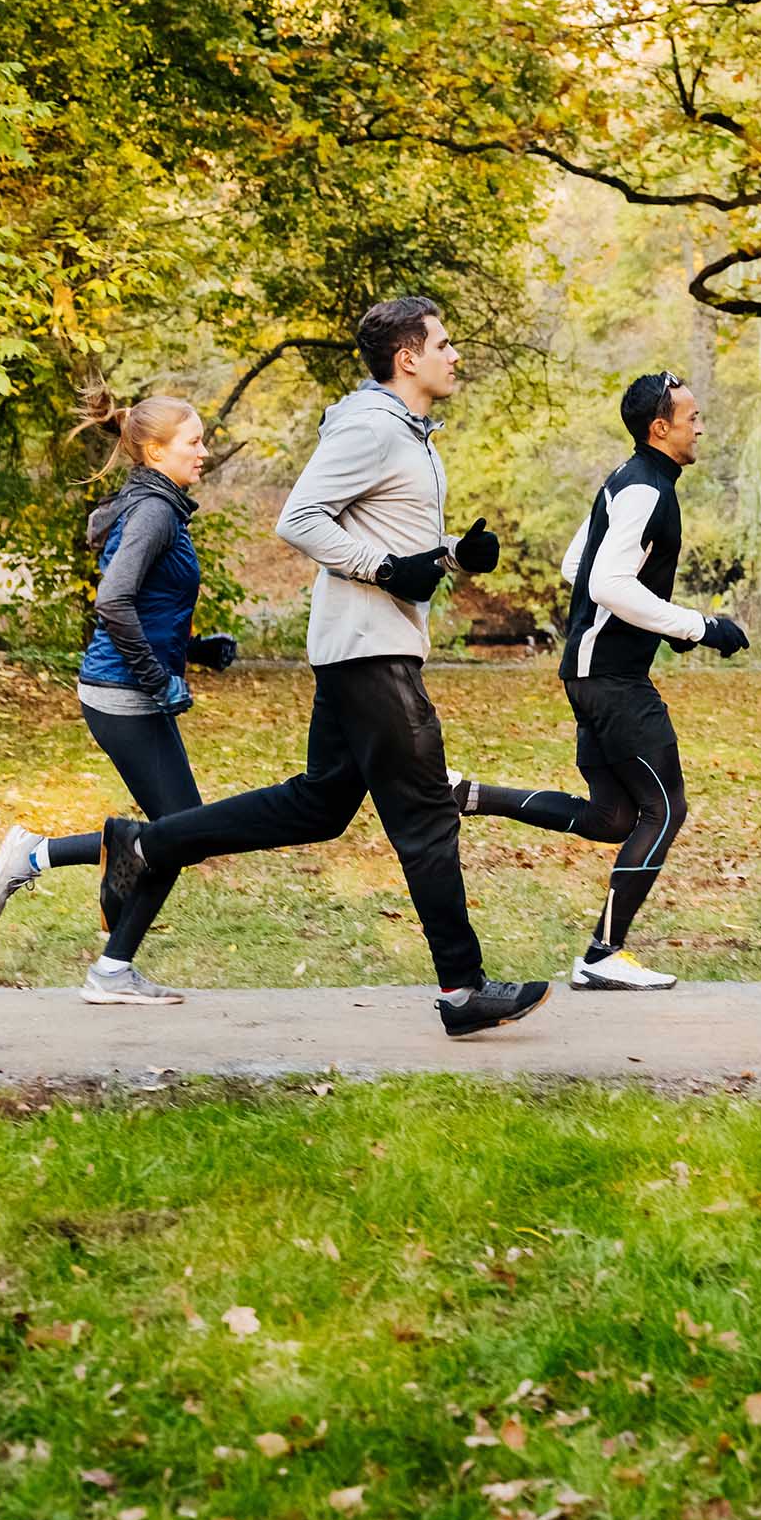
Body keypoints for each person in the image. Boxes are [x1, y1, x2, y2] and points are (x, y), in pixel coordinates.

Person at [94, 296, 549, 1036]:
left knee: (317, 806)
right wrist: (383, 568)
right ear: (408, 357)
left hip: (371, 643)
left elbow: (394, 552)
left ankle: (145, 845)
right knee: (428, 813)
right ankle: (464, 992)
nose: (455, 354)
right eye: (444, 343)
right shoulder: (371, 426)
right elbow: (300, 518)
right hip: (370, 650)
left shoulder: (408, 432)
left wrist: (452, 558)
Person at [451, 371, 749, 989]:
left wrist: (645, 623)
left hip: (589, 673)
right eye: (692, 417)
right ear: (659, 428)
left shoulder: (627, 479)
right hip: (612, 679)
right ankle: (603, 955)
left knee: (614, 817)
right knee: (665, 811)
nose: (702, 426)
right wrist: (697, 626)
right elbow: (606, 582)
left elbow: (575, 564)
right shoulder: (647, 492)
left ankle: (472, 796)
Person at [0, 390, 243, 1000]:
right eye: (193, 441)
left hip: (127, 689)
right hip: (122, 693)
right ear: (154, 451)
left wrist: (195, 652)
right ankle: (47, 871)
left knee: (179, 833)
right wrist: (159, 679)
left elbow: (147, 605)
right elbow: (112, 602)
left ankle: (105, 956)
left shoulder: (159, 505)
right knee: (182, 833)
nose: (204, 451)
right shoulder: (153, 510)